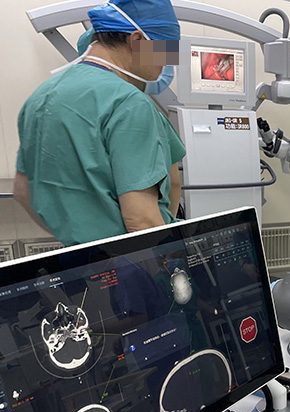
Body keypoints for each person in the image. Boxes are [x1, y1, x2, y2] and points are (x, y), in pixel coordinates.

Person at [13, 0, 185, 247]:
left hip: (77, 258)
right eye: (165, 50)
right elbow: (142, 221)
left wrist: (82, 244)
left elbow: (22, 192)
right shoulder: (129, 103)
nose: (166, 64)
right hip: (131, 258)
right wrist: (167, 261)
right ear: (137, 40)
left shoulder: (41, 96)